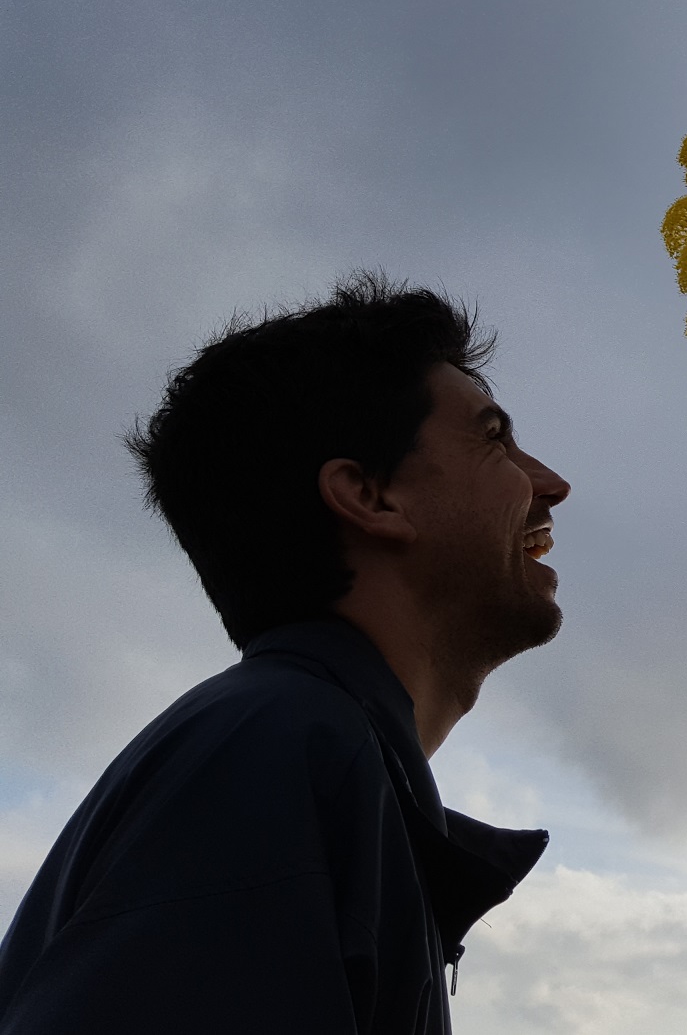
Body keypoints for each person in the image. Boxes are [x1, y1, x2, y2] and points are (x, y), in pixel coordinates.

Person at [0, 274, 571, 1033]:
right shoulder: (278, 743)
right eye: (494, 439)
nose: (551, 484)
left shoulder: (296, 748)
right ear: (369, 497)